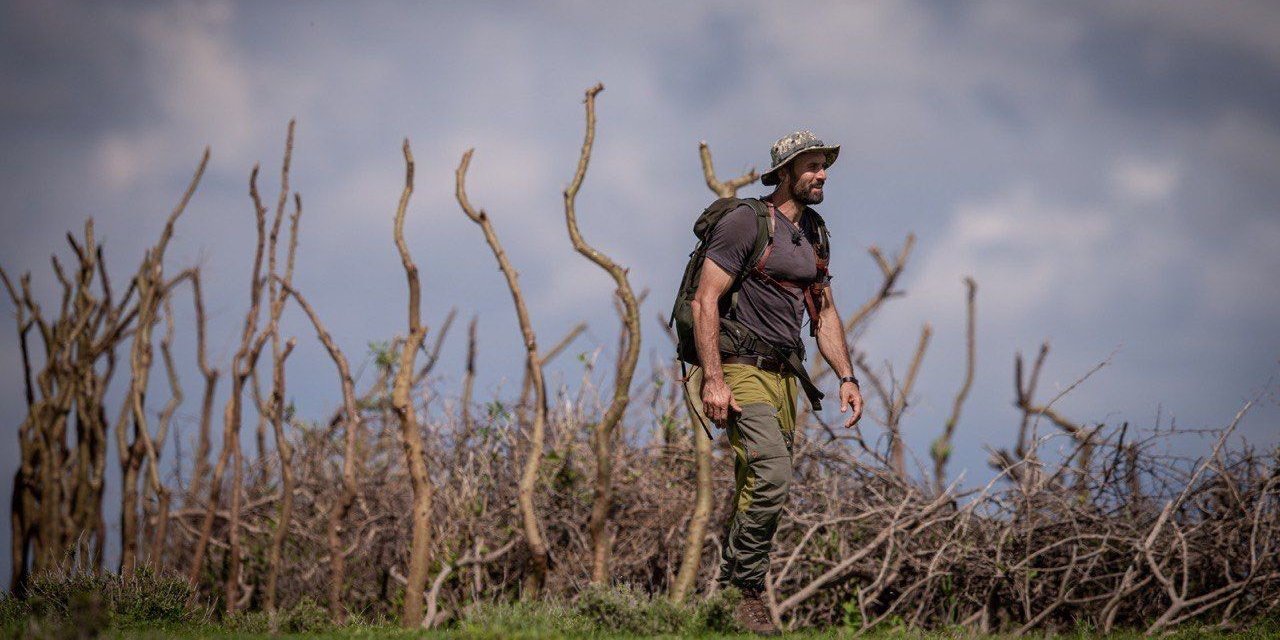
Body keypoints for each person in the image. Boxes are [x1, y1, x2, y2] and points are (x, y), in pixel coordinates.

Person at [689, 130, 863, 635]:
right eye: (811, 165)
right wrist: (714, 381)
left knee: (760, 484)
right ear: (784, 172)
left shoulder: (815, 232)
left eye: (824, 165)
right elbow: (705, 301)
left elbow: (824, 312)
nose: (822, 174)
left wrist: (847, 376)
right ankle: (742, 590)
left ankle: (723, 608)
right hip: (739, 366)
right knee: (771, 474)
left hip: (785, 378)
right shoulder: (747, 222)